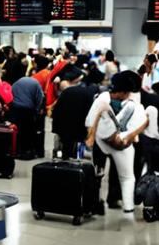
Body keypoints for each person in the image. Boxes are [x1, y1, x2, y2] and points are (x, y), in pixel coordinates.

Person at [87, 72, 150, 215]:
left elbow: (92, 120)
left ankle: (97, 203)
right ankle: (119, 202)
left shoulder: (102, 97)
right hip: (117, 144)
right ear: (123, 91)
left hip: (104, 142)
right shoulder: (132, 103)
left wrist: (91, 137)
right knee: (120, 175)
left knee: (98, 173)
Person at [50, 67, 92, 158]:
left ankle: (64, 158)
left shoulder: (67, 91)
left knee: (65, 143)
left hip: (64, 123)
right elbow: (89, 111)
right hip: (79, 124)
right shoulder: (88, 93)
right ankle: (76, 157)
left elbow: (57, 108)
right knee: (77, 143)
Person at [10, 72, 46, 159]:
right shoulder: (36, 83)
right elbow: (40, 98)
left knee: (17, 129)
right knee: (28, 131)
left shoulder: (18, 81)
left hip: (15, 107)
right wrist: (37, 110)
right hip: (28, 109)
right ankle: (26, 151)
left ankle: (16, 150)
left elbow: (11, 91)